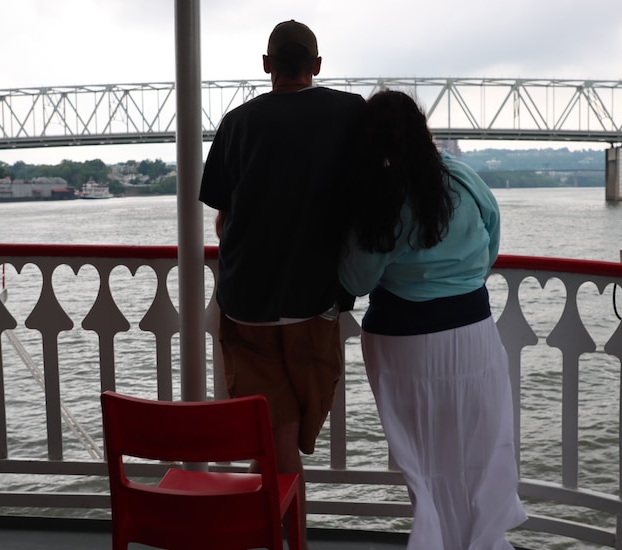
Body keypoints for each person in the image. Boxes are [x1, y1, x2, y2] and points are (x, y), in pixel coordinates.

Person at [198, 19, 365, 547]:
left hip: (245, 301)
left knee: (274, 435)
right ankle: (286, 533)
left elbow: (224, 220)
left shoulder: (237, 123)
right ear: (316, 66)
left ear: (267, 65)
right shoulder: (351, 112)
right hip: (315, 301)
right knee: (296, 428)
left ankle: (279, 535)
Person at [339, 90, 527, 550]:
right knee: (477, 451)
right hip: (474, 333)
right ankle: (478, 540)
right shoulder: (465, 180)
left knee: (422, 459)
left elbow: (356, 279)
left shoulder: (380, 197)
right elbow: (491, 247)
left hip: (404, 344)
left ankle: (434, 538)